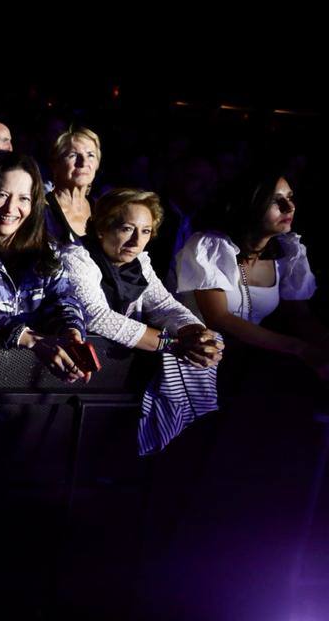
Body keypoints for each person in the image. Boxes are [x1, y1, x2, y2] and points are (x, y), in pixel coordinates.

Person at [62, 188, 223, 453]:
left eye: (146, 231)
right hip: (81, 369)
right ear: (102, 228)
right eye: (127, 228)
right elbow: (96, 317)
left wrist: (196, 333)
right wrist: (171, 344)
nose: (137, 241)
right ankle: (185, 439)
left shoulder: (140, 261)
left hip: (119, 367)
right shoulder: (76, 256)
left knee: (210, 340)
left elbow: (163, 304)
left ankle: (189, 434)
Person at [0, 153, 89, 382]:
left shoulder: (46, 247)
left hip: (30, 379)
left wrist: (71, 331)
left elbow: (63, 297)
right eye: (2, 195)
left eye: (23, 199)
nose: (11, 208)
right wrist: (29, 338)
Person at [176, 168, 328, 380]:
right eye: (276, 201)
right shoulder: (211, 246)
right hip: (195, 362)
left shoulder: (287, 253)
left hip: (242, 365)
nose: (289, 207)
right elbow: (219, 318)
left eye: (290, 198)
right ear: (251, 204)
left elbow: (300, 316)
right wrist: (298, 348)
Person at [45, 127, 102, 243]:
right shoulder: (43, 211)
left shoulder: (102, 210)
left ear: (97, 164)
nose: (84, 163)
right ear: (55, 164)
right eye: (73, 155)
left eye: (90, 155)